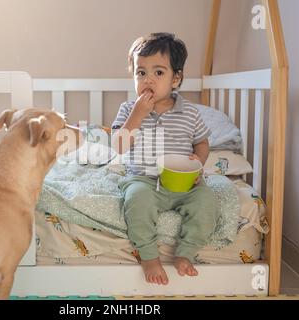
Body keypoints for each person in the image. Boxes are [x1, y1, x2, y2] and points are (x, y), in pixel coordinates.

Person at [111, 33, 220, 285]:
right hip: (144, 179)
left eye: (158, 72)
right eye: (140, 73)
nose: (147, 79)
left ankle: (185, 253)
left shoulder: (190, 112)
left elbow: (202, 142)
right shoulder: (129, 109)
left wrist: (198, 163)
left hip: (183, 182)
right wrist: (137, 115)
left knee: (207, 202)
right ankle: (149, 257)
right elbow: (118, 145)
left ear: (176, 78)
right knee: (136, 200)